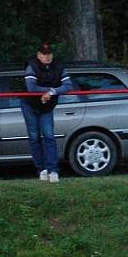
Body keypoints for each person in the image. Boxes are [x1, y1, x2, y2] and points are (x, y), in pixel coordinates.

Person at [22, 42, 74, 183]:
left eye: (49, 53)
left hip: (47, 106)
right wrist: (48, 91)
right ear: (39, 55)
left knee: (49, 136)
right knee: (34, 137)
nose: (47, 56)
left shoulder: (58, 66)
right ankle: (41, 169)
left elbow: (69, 85)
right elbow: (31, 88)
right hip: (29, 105)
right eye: (44, 54)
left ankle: (53, 170)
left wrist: (52, 92)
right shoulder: (31, 66)